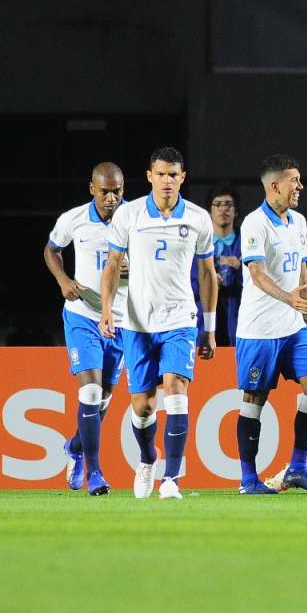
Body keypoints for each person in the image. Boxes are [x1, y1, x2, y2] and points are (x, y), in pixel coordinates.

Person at [100, 146, 217, 500]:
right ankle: (148, 457)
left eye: (174, 174)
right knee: (143, 406)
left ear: (183, 177)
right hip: (136, 322)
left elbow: (208, 274)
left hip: (180, 319)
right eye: (161, 174)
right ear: (150, 176)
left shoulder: (198, 218)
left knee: (177, 389)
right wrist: (107, 309)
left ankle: (171, 479)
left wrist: (209, 327)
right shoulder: (129, 215)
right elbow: (111, 265)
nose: (167, 180)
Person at [233, 155, 307, 495]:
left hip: (294, 326)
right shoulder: (254, 224)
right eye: (295, 181)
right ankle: (248, 480)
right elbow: (257, 274)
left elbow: (300, 272)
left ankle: (298, 468)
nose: (300, 186)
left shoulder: (299, 222)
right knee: (254, 399)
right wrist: (288, 298)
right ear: (275, 185)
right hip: (259, 329)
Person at [44, 162, 126, 496]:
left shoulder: (134, 221)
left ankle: (76, 447)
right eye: (105, 191)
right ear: (92, 189)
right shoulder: (73, 219)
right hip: (82, 315)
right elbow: (51, 250)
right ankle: (95, 473)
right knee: (90, 392)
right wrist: (63, 280)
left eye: (117, 191)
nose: (111, 198)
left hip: (122, 319)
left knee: (103, 398)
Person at [191, 182, 242, 346]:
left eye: (228, 205)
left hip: (237, 319)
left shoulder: (247, 243)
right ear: (209, 211)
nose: (223, 210)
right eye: (217, 205)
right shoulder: (196, 244)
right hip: (202, 321)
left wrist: (240, 269)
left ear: (236, 211)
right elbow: (186, 282)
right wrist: (208, 283)